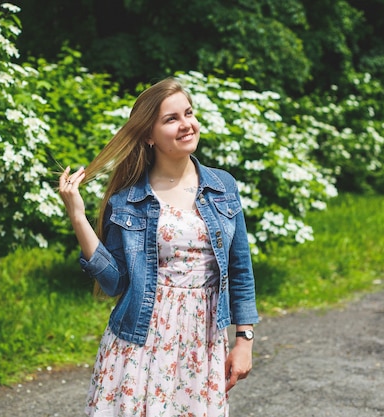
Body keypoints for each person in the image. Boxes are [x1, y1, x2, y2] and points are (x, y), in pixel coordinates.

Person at [58, 77, 259, 416]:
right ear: (149, 135)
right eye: (171, 119)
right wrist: (78, 217)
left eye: (188, 113)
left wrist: (244, 340)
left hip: (202, 341)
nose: (186, 125)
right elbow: (114, 282)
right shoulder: (128, 201)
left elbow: (240, 269)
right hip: (140, 340)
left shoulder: (223, 186)